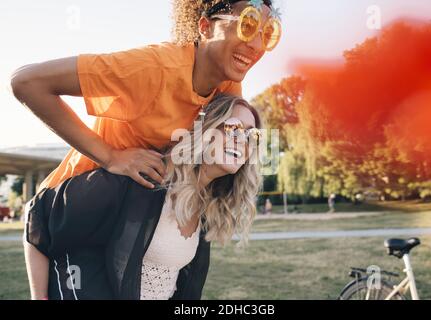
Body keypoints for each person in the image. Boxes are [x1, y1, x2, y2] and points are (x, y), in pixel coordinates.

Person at [10, 0, 281, 300]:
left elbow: (222, 146)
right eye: (246, 25)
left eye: (267, 33)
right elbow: (26, 82)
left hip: (134, 210)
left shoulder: (227, 85)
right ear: (205, 27)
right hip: (81, 202)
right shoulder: (151, 68)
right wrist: (110, 157)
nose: (257, 45)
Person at [25, 94, 263, 300]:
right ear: (205, 128)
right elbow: (38, 216)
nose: (242, 141)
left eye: (251, 135)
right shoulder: (140, 178)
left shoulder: (207, 205)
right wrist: (40, 296)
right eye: (234, 128)